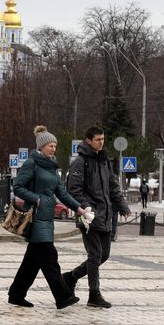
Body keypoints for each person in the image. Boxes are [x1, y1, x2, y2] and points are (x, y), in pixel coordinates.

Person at [8, 126, 86, 309]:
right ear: (41, 147)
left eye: (55, 146)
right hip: (35, 219)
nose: (53, 149)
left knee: (32, 262)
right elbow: (17, 186)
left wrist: (78, 208)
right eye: (50, 145)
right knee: (50, 257)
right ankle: (63, 296)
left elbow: (62, 192)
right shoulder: (31, 163)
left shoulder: (52, 167)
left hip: (47, 219)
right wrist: (36, 199)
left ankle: (16, 294)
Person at [64, 126, 131, 308]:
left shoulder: (104, 161)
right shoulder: (80, 162)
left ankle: (71, 277)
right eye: (97, 139)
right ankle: (94, 294)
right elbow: (74, 190)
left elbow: (113, 185)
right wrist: (87, 208)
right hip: (89, 216)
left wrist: (123, 206)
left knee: (104, 255)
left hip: (105, 215)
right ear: (88, 140)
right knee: (95, 255)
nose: (101, 142)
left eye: (103, 139)